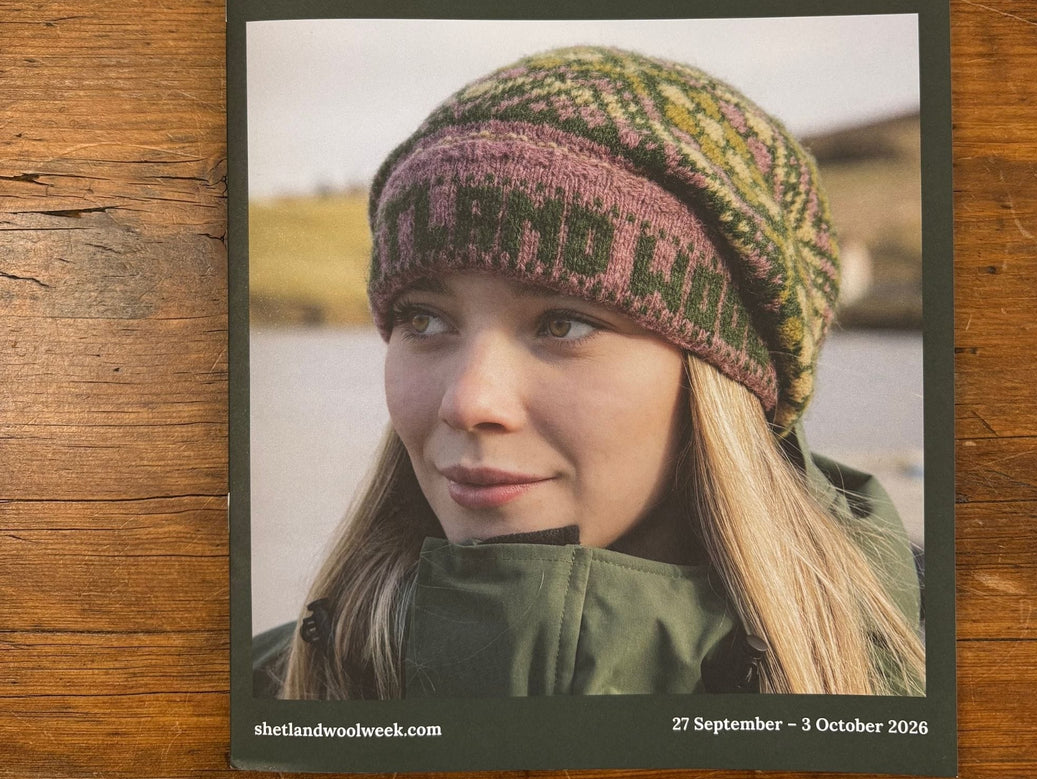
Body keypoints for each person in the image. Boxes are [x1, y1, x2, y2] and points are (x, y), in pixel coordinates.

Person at [253, 45, 925, 699]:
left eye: (563, 323)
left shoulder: (932, 690)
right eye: (423, 322)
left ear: (727, 378)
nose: (470, 401)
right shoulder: (268, 692)